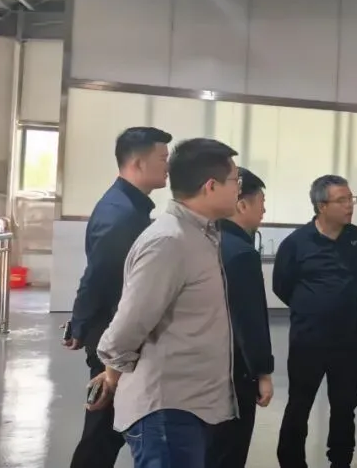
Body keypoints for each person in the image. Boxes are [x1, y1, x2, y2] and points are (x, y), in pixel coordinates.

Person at [91, 138, 243, 468]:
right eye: (236, 181)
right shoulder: (169, 241)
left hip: (190, 404)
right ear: (211, 186)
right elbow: (129, 324)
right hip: (166, 411)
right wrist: (112, 373)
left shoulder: (200, 235)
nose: (239, 190)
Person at [66, 126, 172, 468]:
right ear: (138, 163)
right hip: (113, 335)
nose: (168, 166)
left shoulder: (129, 206)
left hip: (116, 331)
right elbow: (99, 276)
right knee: (101, 431)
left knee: (106, 429)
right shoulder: (121, 214)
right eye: (163, 158)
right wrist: (80, 323)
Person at [273, 175, 357, 468]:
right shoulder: (296, 243)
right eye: (342, 200)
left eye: (351, 199)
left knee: (345, 408)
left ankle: (340, 460)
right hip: (308, 342)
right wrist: (312, 308)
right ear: (321, 206)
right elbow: (281, 285)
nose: (349, 205)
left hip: (349, 342)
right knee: (299, 405)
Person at [207, 167, 275, 468]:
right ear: (242, 204)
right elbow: (250, 321)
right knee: (229, 451)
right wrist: (262, 372)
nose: (264, 210)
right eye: (261, 202)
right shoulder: (241, 253)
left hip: (202, 367)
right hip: (234, 372)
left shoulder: (206, 240)